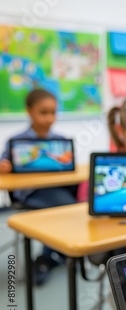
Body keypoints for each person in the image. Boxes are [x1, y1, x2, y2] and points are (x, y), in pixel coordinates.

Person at [0, 88, 76, 285]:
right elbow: (4, 163)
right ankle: (48, 256)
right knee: (67, 208)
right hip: (30, 193)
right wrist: (5, 166)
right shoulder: (16, 141)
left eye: (53, 112)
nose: (49, 118)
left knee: (71, 205)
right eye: (43, 112)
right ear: (29, 111)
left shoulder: (60, 141)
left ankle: (49, 255)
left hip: (56, 190)